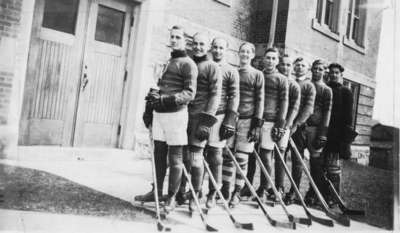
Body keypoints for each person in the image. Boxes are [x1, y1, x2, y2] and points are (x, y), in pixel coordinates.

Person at [135, 25, 198, 212]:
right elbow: (156, 87)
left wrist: (165, 99)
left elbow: (189, 94)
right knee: (158, 155)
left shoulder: (189, 64)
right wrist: (149, 109)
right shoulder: (166, 61)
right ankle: (156, 191)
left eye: (178, 37)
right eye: (172, 36)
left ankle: (171, 197)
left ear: (185, 41)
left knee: (175, 158)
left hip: (176, 115)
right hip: (159, 115)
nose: (173, 40)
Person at [178, 32, 222, 212]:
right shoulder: (186, 63)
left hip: (199, 118)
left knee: (196, 159)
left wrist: (206, 122)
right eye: (195, 44)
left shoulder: (212, 67)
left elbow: (215, 95)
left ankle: (195, 194)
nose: (198, 47)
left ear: (208, 47)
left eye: (202, 44)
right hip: (182, 115)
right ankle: (180, 192)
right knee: (182, 157)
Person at [221, 42, 264, 208]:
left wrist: (257, 125)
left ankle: (237, 192)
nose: (245, 55)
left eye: (248, 52)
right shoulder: (233, 71)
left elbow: (260, 100)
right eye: (242, 51)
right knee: (227, 154)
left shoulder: (257, 74)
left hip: (248, 119)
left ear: (252, 55)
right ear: (238, 53)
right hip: (232, 117)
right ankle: (225, 188)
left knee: (241, 157)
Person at [202, 37, 240, 208]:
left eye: (221, 48)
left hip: (220, 115)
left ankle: (212, 192)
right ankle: (194, 190)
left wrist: (230, 119)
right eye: (215, 47)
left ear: (226, 50)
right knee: (197, 153)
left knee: (215, 156)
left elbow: (234, 96)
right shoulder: (205, 66)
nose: (217, 51)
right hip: (202, 114)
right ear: (211, 48)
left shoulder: (231, 71)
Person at [253, 48, 289, 202]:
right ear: (263, 59)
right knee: (251, 155)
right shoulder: (257, 75)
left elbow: (284, 102)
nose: (270, 61)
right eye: (267, 58)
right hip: (255, 119)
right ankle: (250, 187)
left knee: (266, 155)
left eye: (273, 58)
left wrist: (280, 123)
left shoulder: (281, 79)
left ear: (277, 61)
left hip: (270, 120)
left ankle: (265, 188)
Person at [284, 57, 316, 205]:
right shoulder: (289, 82)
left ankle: (294, 192)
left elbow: (308, 109)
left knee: (297, 160)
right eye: (297, 65)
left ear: (307, 68)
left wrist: (295, 124)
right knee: (280, 156)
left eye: (303, 65)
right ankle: (277, 188)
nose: (299, 68)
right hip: (284, 125)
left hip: (298, 128)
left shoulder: (309, 86)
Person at [323, 62, 357, 206]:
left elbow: (348, 118)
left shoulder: (346, 92)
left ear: (341, 75)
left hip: (337, 137)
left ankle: (334, 197)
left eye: (337, 73)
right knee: (320, 166)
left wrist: (345, 141)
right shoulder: (325, 88)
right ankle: (320, 195)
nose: (334, 75)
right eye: (332, 72)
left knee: (334, 168)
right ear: (328, 74)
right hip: (323, 132)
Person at [303, 59, 332, 207]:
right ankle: (290, 191)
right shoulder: (306, 85)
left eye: (321, 69)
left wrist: (323, 133)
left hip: (315, 128)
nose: (317, 71)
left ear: (324, 71)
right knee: (296, 161)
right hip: (302, 126)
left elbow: (327, 112)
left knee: (315, 163)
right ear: (311, 69)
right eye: (315, 68)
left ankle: (313, 192)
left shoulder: (326, 90)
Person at [273, 54, 301, 198]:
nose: (285, 67)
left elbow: (294, 108)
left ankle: (279, 187)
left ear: (292, 68)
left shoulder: (294, 86)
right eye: (283, 64)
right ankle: (263, 187)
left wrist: (286, 127)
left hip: (284, 125)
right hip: (270, 120)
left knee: (280, 154)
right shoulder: (275, 79)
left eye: (288, 65)